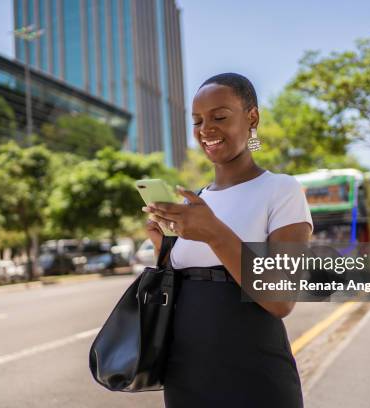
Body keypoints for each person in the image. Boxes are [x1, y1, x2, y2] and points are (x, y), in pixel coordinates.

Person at [143, 73, 312, 408]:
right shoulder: (198, 200)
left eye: (219, 117)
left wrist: (214, 233)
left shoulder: (281, 190)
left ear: (252, 118)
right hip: (185, 374)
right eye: (197, 120)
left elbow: (281, 299)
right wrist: (163, 249)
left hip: (253, 375)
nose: (206, 129)